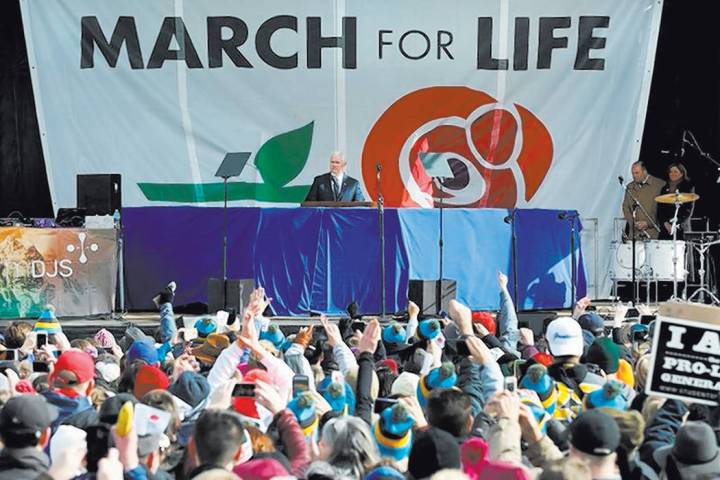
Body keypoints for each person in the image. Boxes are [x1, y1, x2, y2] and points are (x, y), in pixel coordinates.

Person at [622, 161, 665, 240]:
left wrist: (648, 223)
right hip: (635, 234)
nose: (634, 176)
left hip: (654, 234)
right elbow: (625, 207)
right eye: (633, 173)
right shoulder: (630, 187)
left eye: (637, 173)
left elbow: (662, 210)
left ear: (645, 172)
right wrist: (633, 223)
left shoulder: (659, 185)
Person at [656, 162, 695, 240]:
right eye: (670, 172)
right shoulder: (664, 188)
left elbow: (688, 210)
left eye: (675, 171)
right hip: (666, 228)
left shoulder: (688, 187)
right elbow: (660, 208)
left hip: (681, 227)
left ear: (682, 173)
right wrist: (665, 223)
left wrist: (676, 224)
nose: (672, 174)